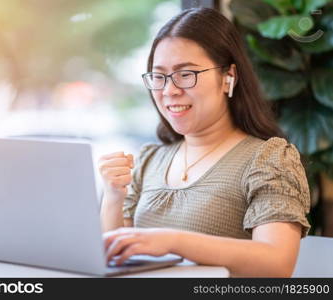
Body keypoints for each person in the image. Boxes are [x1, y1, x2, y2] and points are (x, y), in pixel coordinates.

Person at [98, 7, 310, 277]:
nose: (169, 90)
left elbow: (277, 264)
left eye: (186, 74)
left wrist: (172, 241)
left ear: (228, 77)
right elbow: (114, 259)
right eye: (159, 76)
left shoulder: (269, 159)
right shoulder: (149, 160)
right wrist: (113, 197)